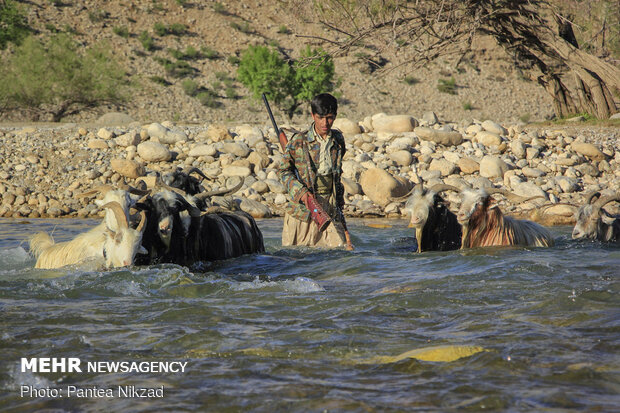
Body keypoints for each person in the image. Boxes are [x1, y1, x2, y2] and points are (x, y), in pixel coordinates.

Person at [276, 93, 353, 249]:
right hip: (302, 213)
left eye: (330, 118)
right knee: (298, 259)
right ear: (313, 116)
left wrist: (340, 212)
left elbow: (336, 178)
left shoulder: (338, 140)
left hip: (328, 209)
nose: (325, 123)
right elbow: (283, 171)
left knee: (337, 256)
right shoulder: (299, 141)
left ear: (335, 116)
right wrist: (301, 193)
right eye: (320, 117)